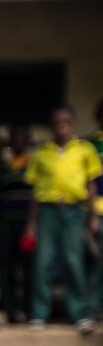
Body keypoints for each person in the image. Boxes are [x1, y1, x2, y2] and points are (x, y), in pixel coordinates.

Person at [24, 105, 102, 334]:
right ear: (51, 126)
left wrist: (93, 216)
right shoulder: (41, 153)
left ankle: (79, 314)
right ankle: (39, 314)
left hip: (74, 211)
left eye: (67, 122)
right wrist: (31, 224)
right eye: (58, 123)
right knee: (43, 262)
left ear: (73, 123)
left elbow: (91, 186)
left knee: (73, 262)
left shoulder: (85, 150)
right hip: (47, 211)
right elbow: (35, 192)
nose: (62, 127)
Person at [0, 125, 35, 323]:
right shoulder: (2, 166)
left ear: (29, 139)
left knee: (28, 267)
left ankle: (28, 310)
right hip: (4, 224)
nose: (18, 141)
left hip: (26, 224)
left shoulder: (33, 163)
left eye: (22, 137)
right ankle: (8, 309)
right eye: (14, 138)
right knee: (6, 267)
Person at [88, 98, 103, 320]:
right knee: (97, 262)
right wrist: (91, 214)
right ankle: (94, 308)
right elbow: (89, 182)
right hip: (98, 211)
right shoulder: (90, 145)